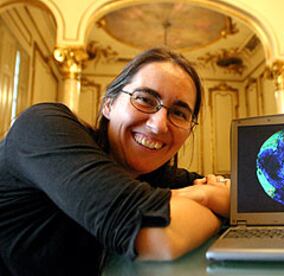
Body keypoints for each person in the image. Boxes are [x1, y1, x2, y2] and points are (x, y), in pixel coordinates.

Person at [0, 47, 230, 276]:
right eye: (145, 100)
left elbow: (245, 199)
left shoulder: (156, 176)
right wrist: (206, 196)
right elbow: (159, 237)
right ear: (108, 104)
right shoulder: (44, 128)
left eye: (179, 113)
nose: (159, 125)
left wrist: (204, 198)